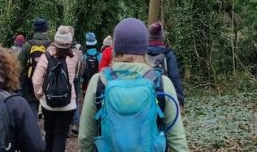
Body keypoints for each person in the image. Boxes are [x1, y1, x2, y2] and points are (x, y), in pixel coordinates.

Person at [79, 18, 189, 152]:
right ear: (144, 47)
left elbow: (85, 138)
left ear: (115, 47)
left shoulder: (99, 81)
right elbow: (178, 141)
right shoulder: (161, 83)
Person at [32, 26, 79, 152]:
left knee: (49, 134)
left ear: (55, 40)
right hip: (68, 102)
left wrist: (39, 94)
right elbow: (74, 76)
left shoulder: (46, 56)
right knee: (61, 136)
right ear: (69, 41)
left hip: (48, 102)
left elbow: (36, 80)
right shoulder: (74, 57)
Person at [147, 22, 186, 106]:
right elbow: (174, 76)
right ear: (162, 37)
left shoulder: (141, 54)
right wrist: (180, 100)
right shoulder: (168, 53)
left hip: (145, 95)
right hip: (164, 93)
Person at [18, 17, 51, 116]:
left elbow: (18, 65)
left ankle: (33, 129)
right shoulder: (51, 46)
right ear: (46, 29)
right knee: (49, 115)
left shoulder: (27, 45)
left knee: (31, 113)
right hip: (48, 85)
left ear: (34, 30)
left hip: (29, 84)